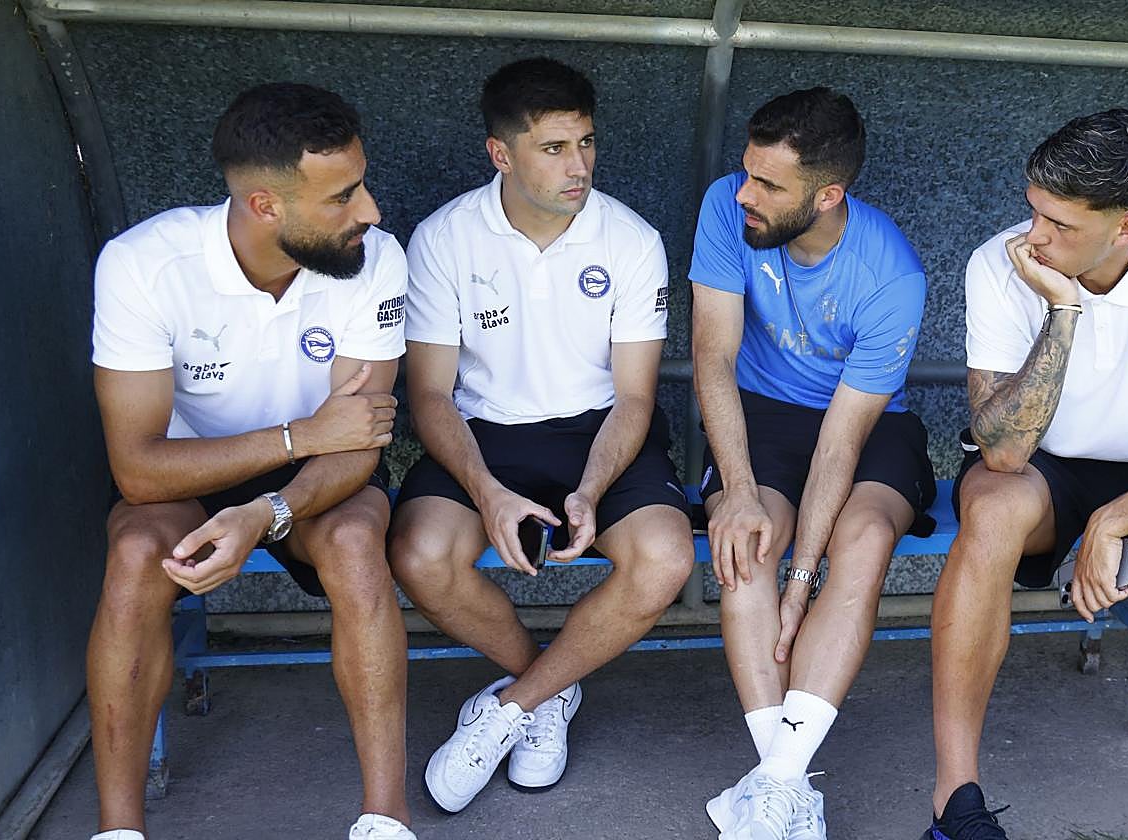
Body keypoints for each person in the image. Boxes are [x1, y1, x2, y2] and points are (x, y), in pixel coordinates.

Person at [87, 83, 415, 840]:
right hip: (189, 470)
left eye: (361, 184)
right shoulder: (143, 264)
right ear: (266, 206)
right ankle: (117, 831)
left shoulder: (373, 259)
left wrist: (268, 509)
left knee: (356, 542)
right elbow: (137, 469)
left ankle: (385, 820)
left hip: (324, 478)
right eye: (343, 196)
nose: (369, 211)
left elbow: (358, 445)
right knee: (136, 549)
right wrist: (299, 435)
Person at [387, 56, 694, 815]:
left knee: (665, 557)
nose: (578, 166)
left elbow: (634, 397)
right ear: (501, 152)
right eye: (554, 149)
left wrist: (590, 489)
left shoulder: (630, 239)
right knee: (420, 554)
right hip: (482, 435)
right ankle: (546, 694)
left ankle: (508, 710)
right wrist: (488, 494)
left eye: (586, 143)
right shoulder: (443, 237)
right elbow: (428, 395)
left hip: (601, 434)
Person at [690, 87, 936, 839]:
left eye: (768, 184)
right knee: (750, 541)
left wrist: (806, 580)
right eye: (746, 173)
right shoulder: (727, 209)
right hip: (758, 413)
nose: (745, 194)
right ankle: (782, 788)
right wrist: (736, 491)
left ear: (828, 195)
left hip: (865, 425)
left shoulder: (892, 276)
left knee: (860, 544)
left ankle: (773, 787)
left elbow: (840, 440)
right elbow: (712, 354)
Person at [925, 108, 1128, 840]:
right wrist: (1063, 308)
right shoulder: (999, 263)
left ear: (1127, 227)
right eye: (1034, 211)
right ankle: (954, 801)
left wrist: (1115, 520)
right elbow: (1001, 448)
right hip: (1041, 466)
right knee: (993, 512)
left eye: (1060, 226)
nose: (1035, 237)